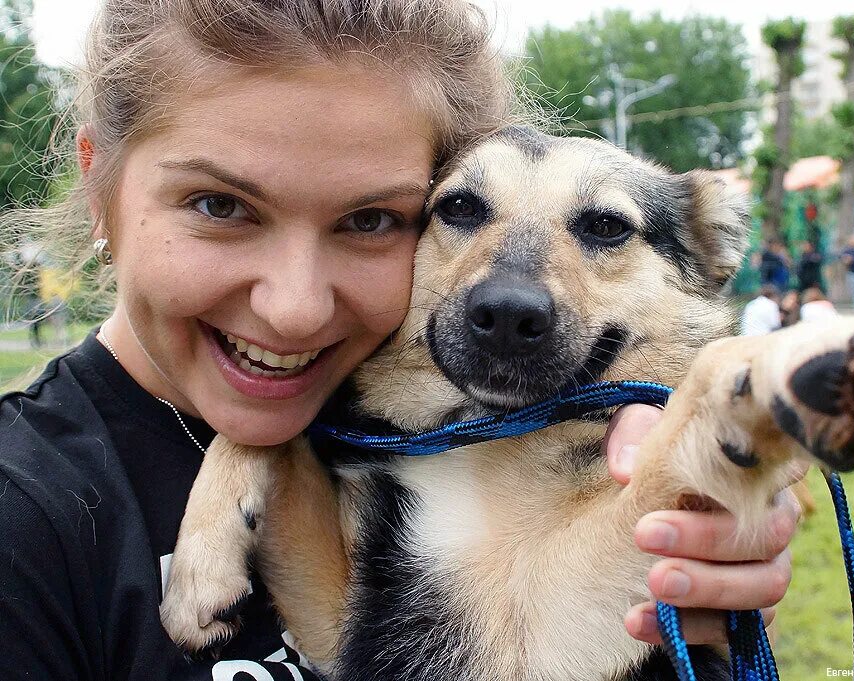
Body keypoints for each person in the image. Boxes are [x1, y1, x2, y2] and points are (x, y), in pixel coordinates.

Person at [0, 1, 800, 677]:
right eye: (218, 204)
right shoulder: (27, 519)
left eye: (370, 220)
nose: (294, 311)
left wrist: (704, 566)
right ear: (98, 183)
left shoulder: (400, 424)